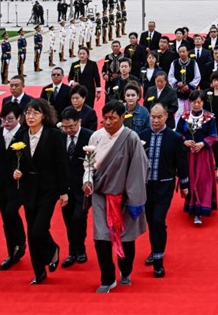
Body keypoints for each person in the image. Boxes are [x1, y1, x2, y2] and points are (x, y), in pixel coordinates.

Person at [84, 101, 149, 293]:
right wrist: (87, 180)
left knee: (126, 237)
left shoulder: (131, 138)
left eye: (113, 118)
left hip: (124, 195)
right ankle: (108, 278)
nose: (108, 122)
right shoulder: (95, 137)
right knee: (100, 237)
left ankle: (125, 271)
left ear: (123, 118)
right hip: (100, 193)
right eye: (105, 118)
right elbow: (88, 165)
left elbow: (138, 169)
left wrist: (134, 198)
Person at [16, 99, 69, 285]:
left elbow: (62, 164)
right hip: (28, 189)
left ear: (44, 115)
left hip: (48, 189)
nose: (30, 116)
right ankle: (39, 272)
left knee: (38, 230)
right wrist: (17, 171)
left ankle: (53, 249)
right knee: (32, 232)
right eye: (28, 113)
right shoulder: (21, 136)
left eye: (35, 113)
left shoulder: (54, 135)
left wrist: (64, 191)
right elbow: (16, 161)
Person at [137, 104, 189, 277]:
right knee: (152, 221)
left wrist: (184, 184)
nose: (156, 120)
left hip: (165, 186)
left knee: (159, 220)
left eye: (159, 117)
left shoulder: (174, 138)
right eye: (153, 116)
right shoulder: (142, 136)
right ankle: (155, 249)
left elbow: (181, 163)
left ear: (166, 116)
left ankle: (158, 262)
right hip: (145, 187)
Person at [0, 102, 27, 271]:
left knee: (11, 211)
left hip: (18, 181)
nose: (6, 122)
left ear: (18, 118)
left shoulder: (24, 134)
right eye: (3, 119)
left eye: (10, 119)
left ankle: (21, 242)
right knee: (5, 217)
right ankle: (12, 251)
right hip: (1, 179)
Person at [176, 90, 218, 225]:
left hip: (203, 155)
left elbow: (214, 136)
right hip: (189, 155)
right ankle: (192, 204)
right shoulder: (184, 117)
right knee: (190, 179)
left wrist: (202, 143)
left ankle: (201, 208)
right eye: (194, 102)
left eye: (199, 102)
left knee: (202, 180)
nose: (196, 105)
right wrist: (185, 141)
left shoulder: (209, 117)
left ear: (203, 103)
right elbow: (177, 134)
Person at [59, 107, 93, 268]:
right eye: (65, 127)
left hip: (83, 187)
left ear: (79, 122)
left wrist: (88, 182)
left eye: (71, 127)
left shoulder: (89, 136)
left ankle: (79, 249)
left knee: (79, 217)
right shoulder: (60, 136)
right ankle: (73, 251)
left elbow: (93, 163)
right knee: (68, 220)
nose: (68, 130)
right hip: (65, 188)